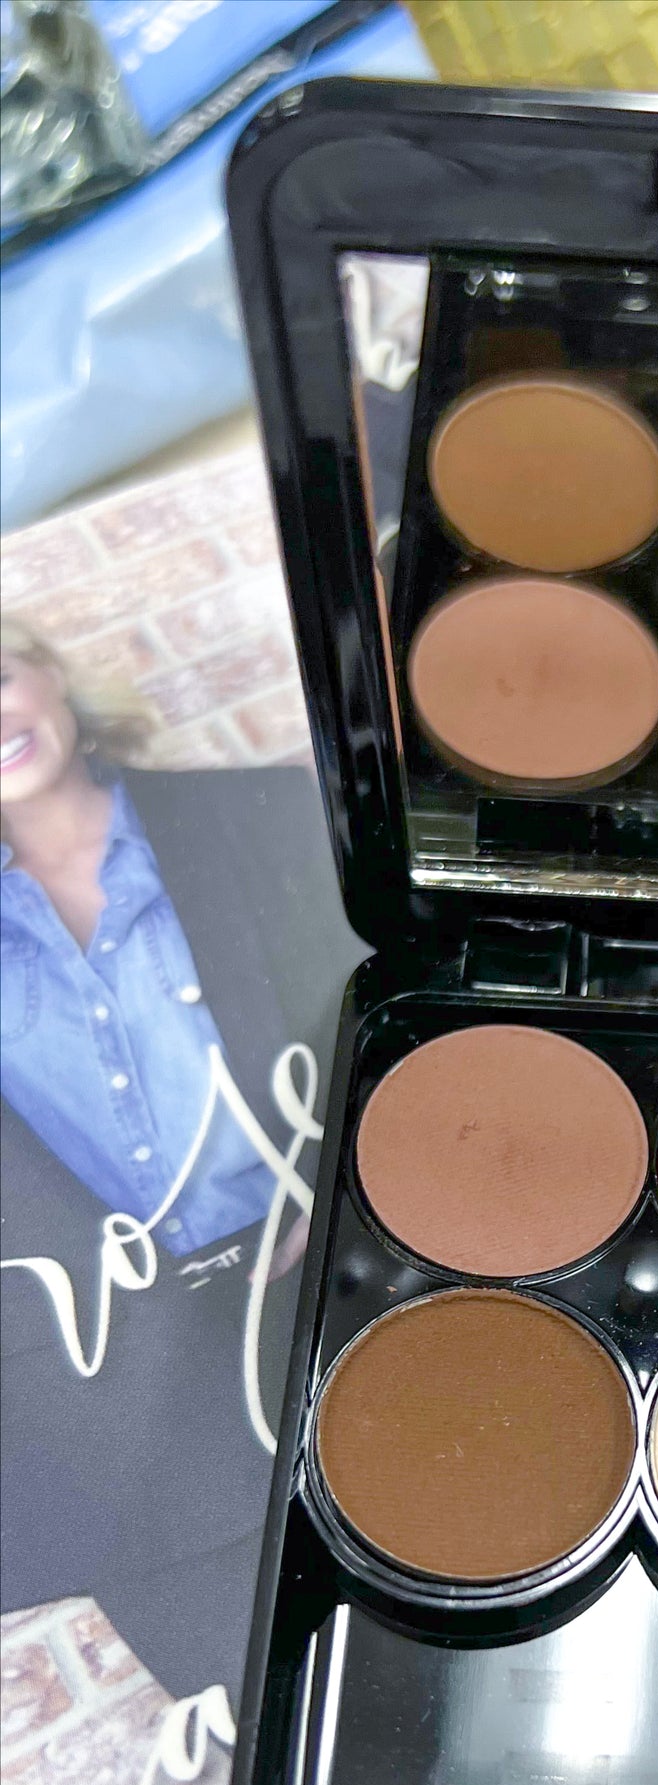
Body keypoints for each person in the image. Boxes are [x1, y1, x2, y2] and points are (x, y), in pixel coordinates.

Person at [0, 614, 365, 1699]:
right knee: (278, 1718)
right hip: (135, 1395)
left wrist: (350, 1188)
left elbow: (395, 1014)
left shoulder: (263, 813)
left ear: (47, 674)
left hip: (334, 1298)